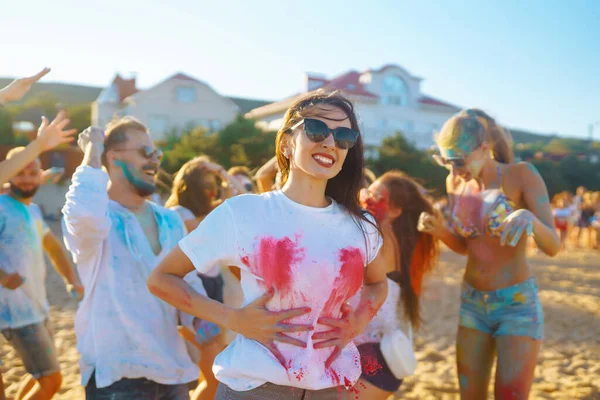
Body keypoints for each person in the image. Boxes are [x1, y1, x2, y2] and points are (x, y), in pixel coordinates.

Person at [147, 91, 388, 399]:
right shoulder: (244, 213)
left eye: (344, 136)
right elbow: (161, 279)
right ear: (287, 142)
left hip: (330, 389)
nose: (330, 142)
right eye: (317, 130)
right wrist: (233, 319)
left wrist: (356, 323)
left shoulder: (360, 227)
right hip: (254, 387)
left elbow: (378, 284)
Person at [419, 109, 559, 399]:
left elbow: (553, 246)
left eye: (458, 161)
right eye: (445, 161)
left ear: (484, 149)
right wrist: (441, 231)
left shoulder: (521, 175)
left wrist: (529, 220)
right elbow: (466, 246)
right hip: (472, 303)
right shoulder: (455, 183)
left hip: (516, 305)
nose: (453, 170)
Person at [61, 118, 201, 399]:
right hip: (117, 376)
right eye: (144, 152)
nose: (154, 161)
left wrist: (210, 327)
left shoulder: (170, 219)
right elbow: (84, 211)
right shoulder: (100, 220)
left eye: (156, 154)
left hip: (172, 372)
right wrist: (93, 148)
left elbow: (189, 286)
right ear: (112, 157)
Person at [0, 147, 84, 400]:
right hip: (15, 313)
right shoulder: (1, 207)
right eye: (20, 172)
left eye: (32, 172)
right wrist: (3, 275)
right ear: (9, 175)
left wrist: (73, 279)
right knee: (51, 380)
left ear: (41, 175)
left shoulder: (32, 209)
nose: (26, 178)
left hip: (38, 306)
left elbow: (54, 249)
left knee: (40, 375)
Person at [165, 156, 247, 400]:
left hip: (211, 294)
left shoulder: (211, 213)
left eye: (214, 185)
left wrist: (222, 170)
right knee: (213, 380)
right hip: (193, 302)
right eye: (207, 186)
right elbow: (208, 231)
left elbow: (242, 201)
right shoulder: (178, 212)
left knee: (218, 377)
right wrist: (227, 202)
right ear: (192, 188)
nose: (212, 191)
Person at [352, 171, 439, 399]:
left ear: (395, 211)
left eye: (375, 195)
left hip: (371, 359)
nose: (366, 198)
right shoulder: (390, 238)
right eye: (368, 191)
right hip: (379, 358)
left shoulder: (382, 237)